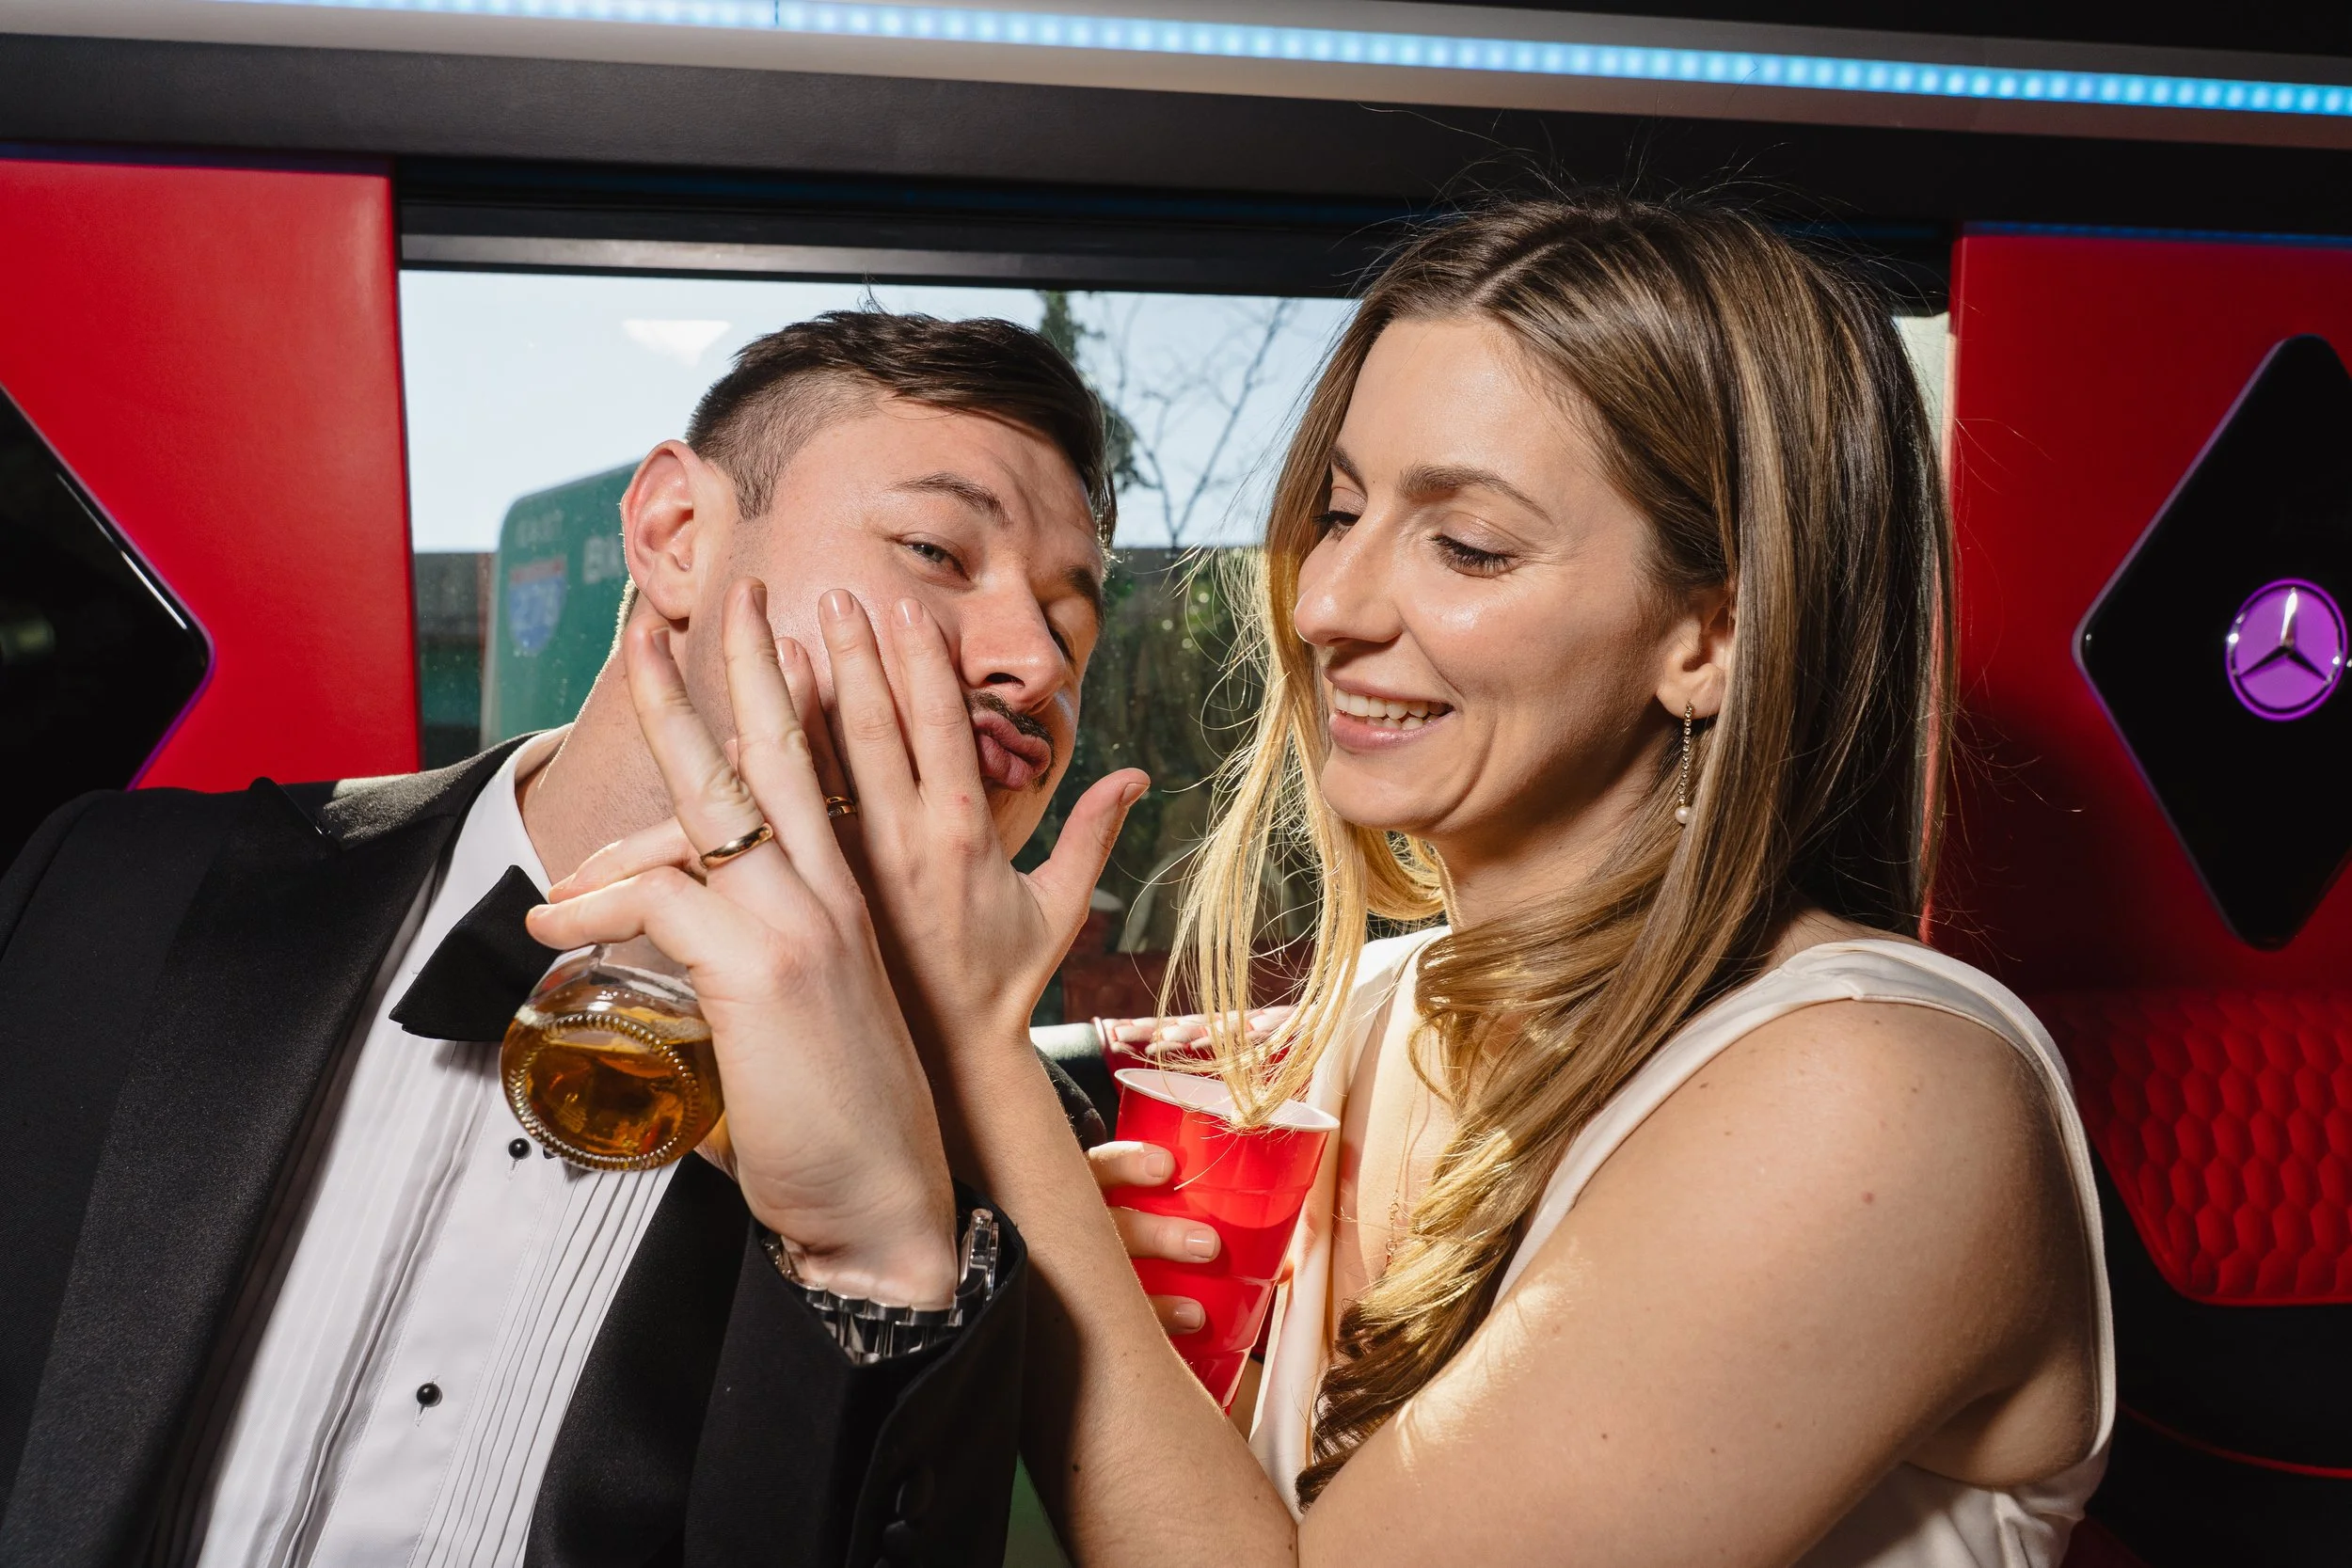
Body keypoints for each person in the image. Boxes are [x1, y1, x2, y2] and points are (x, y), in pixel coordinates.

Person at [574, 195, 2114, 1568]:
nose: (1327, 602)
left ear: (1709, 635)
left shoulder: (1879, 1091)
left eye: (1470, 546)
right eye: (1342, 509)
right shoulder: (1347, 1030)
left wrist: (981, 1051)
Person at [0, 309, 1122, 1567]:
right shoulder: (101, 889)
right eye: (938, 551)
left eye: (1072, 633)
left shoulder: (1028, 1191)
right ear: (676, 535)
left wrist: (877, 1254)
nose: (1036, 665)